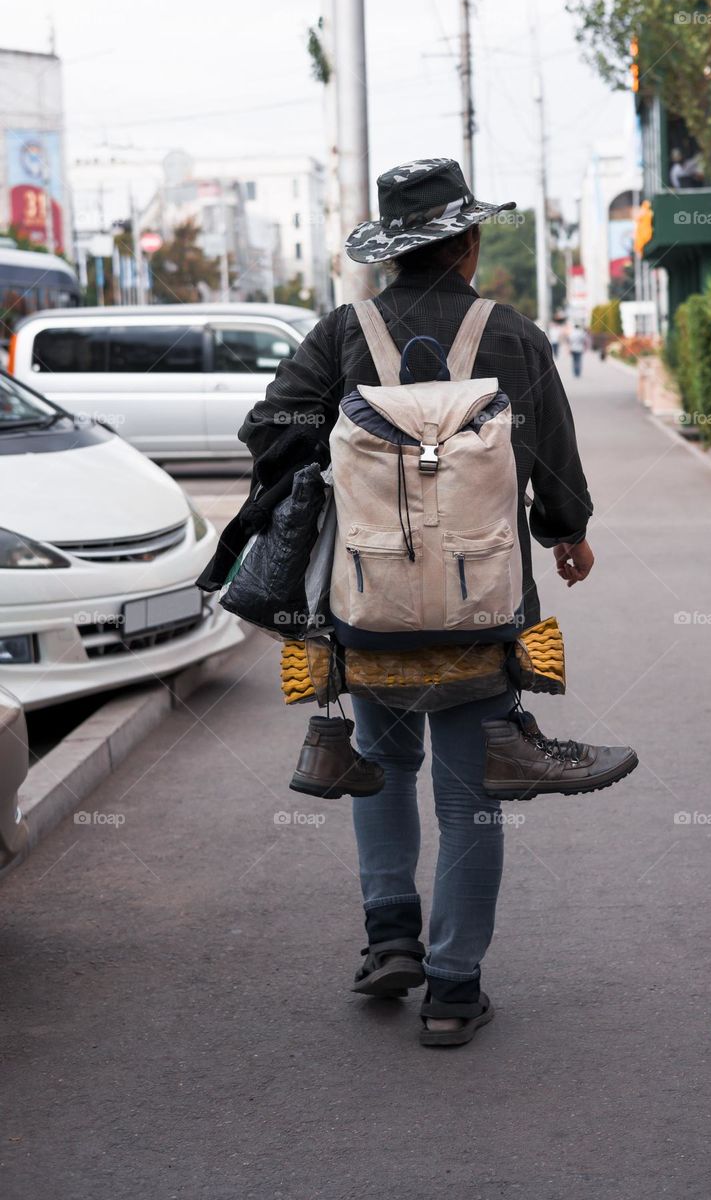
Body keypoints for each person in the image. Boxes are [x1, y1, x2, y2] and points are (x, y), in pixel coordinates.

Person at [234, 158, 636, 1046]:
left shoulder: (343, 332)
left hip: (368, 607)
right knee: (470, 798)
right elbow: (554, 457)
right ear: (467, 244)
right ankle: (453, 992)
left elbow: (266, 430)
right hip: (482, 611)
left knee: (380, 767)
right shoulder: (514, 336)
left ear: (390, 254)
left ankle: (389, 942)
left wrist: (346, 454)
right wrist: (566, 532)